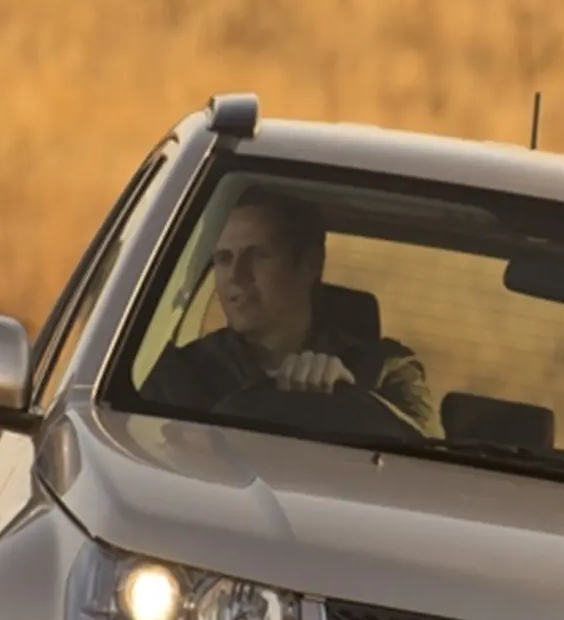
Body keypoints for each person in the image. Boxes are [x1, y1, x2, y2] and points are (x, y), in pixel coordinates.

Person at [145, 187, 439, 436]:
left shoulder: (386, 371)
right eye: (223, 259)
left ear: (310, 264)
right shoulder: (180, 377)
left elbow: (431, 465)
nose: (236, 275)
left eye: (258, 255)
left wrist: (352, 400)